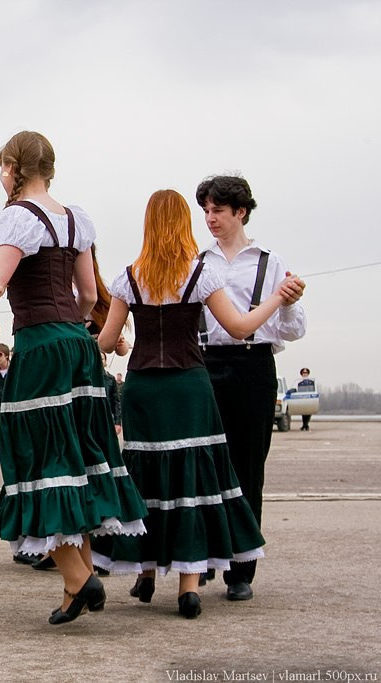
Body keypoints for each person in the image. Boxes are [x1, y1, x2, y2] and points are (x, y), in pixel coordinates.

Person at [0, 132, 146, 626]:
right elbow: (87, 294)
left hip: (41, 346)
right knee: (77, 457)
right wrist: (74, 331)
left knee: (41, 456)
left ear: (14, 168)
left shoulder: (17, 216)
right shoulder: (74, 218)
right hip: (78, 346)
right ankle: (73, 582)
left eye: (0, 168)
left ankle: (82, 578)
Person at [93, 189, 295, 618]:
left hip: (144, 387)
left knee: (146, 477)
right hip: (189, 385)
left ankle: (145, 575)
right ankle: (189, 588)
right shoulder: (200, 274)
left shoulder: (127, 277)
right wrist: (277, 298)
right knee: (193, 478)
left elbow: (109, 343)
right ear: (184, 223)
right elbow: (239, 328)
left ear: (148, 224)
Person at [196, 175, 307, 602]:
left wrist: (292, 302)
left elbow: (291, 331)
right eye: (205, 210)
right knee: (203, 463)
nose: (210, 218)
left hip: (253, 365)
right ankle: (203, 557)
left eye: (217, 210)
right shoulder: (196, 261)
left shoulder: (270, 261)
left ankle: (241, 570)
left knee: (247, 469)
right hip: (205, 364)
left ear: (240, 211)